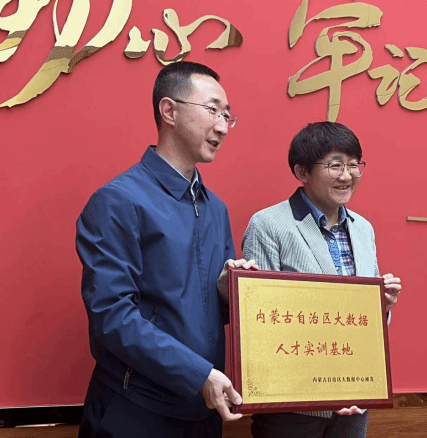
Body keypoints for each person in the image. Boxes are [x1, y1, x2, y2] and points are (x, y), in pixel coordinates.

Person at [75, 61, 257, 438]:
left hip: (205, 408)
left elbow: (206, 314)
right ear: (169, 111)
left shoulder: (216, 208)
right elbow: (111, 315)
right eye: (213, 110)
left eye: (227, 115)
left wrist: (227, 293)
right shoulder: (118, 200)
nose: (223, 127)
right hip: (137, 408)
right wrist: (197, 373)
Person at [242, 121, 402, 438]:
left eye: (354, 165)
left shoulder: (363, 228)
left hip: (354, 398)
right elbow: (257, 322)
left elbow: (364, 323)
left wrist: (381, 305)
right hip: (292, 406)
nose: (347, 175)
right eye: (335, 165)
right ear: (302, 172)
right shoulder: (268, 225)